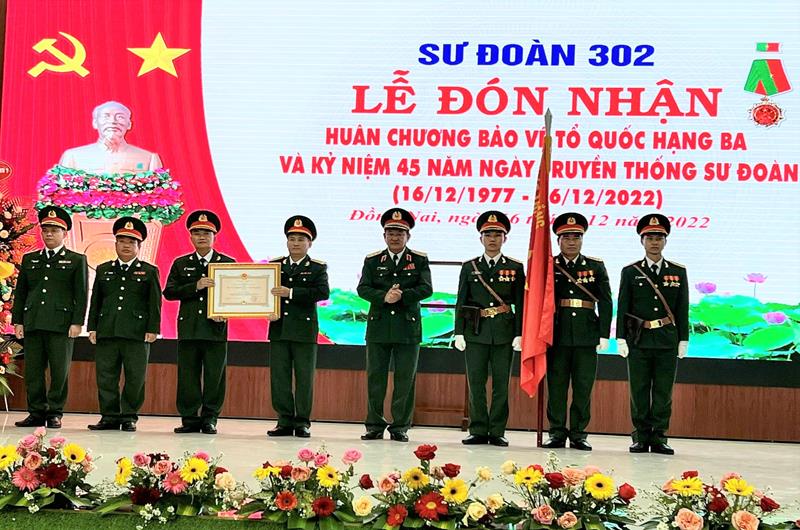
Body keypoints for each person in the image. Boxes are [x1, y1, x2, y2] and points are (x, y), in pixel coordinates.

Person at [616, 213, 689, 455]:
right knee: (638, 390)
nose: (654, 242)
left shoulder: (678, 271)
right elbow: (623, 306)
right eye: (650, 238)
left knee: (663, 392)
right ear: (642, 241)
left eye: (659, 238)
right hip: (639, 339)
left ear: (665, 241)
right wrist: (621, 338)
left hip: (667, 340)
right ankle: (640, 436)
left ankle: (659, 437)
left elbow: (682, 308)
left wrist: (683, 339)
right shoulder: (630, 271)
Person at [357, 208, 432, 442]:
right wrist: (383, 297)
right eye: (390, 233)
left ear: (408, 236)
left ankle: (400, 427)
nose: (395, 237)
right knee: (375, 378)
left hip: (407, 328)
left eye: (400, 233)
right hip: (379, 327)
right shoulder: (372, 260)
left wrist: (402, 296)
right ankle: (374, 425)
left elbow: (426, 288)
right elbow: (363, 288)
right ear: (384, 236)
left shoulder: (418, 260)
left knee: (405, 379)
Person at [12, 206, 87, 428]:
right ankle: (36, 412)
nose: (49, 234)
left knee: (59, 371)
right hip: (34, 322)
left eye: (55, 230)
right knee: (34, 371)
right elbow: (21, 293)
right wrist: (18, 321)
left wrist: (77, 322)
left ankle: (55, 412)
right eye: (45, 230)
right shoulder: (30, 259)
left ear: (65, 233)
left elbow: (81, 294)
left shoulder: (76, 260)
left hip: (61, 324)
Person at [542, 213, 612, 451]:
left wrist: (604, 334)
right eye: (566, 237)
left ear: (582, 239)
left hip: (586, 334)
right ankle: (556, 432)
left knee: (583, 387)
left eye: (576, 237)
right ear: (558, 240)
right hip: (557, 334)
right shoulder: (549, 266)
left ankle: (579, 434)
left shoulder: (595, 266)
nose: (571, 242)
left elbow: (606, 301)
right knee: (557, 387)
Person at [454, 211, 524, 447]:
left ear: (505, 238)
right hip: (476, 331)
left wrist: (519, 333)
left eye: (497, 234)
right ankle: (477, 429)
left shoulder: (515, 267)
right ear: (481, 238)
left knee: (501, 385)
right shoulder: (470, 267)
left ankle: (497, 430)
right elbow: (461, 300)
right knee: (476, 384)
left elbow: (520, 303)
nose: (492, 239)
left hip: (504, 332)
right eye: (488, 234)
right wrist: (459, 332)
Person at [87, 217, 161, 432]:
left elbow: (154, 302)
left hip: (136, 333)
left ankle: (129, 416)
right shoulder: (104, 269)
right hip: (107, 330)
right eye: (122, 241)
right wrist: (92, 327)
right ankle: (109, 416)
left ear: (139, 246)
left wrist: (153, 329)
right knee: (106, 376)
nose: (126, 245)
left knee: (135, 377)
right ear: (116, 244)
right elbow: (96, 301)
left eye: (131, 242)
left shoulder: (148, 271)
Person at [164, 210, 234, 435]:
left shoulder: (227, 263)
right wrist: (195, 286)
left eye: (206, 233)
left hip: (215, 329)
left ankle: (210, 418)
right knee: (188, 375)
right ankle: (189, 419)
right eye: (197, 233)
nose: (201, 237)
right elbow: (169, 292)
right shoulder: (181, 263)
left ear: (215, 236)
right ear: (190, 236)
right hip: (190, 328)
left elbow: (236, 296)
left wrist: (227, 312)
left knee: (215, 377)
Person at [266, 216, 330, 438]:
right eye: (292, 238)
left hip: (304, 331)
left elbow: (322, 292)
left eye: (301, 239)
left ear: (309, 243)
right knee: (280, 378)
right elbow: (263, 292)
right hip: (279, 329)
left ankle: (302, 422)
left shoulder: (317, 267)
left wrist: (291, 292)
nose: (295, 243)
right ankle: (284, 421)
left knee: (304, 378)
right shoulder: (275, 266)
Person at [59, 101, 162, 173]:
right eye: (106, 116)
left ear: (129, 124)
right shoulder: (73, 156)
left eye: (120, 117)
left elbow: (159, 194)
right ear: (95, 123)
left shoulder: (148, 158)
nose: (113, 121)